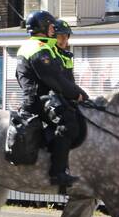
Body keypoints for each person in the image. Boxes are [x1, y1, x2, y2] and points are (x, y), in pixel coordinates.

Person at [16, 10, 88, 189]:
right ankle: (58, 173)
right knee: (68, 124)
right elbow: (54, 79)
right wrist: (77, 94)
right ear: (42, 27)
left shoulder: (41, 46)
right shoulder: (38, 48)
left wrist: (77, 93)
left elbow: (60, 77)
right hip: (38, 100)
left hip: (41, 97)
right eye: (50, 26)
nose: (53, 30)